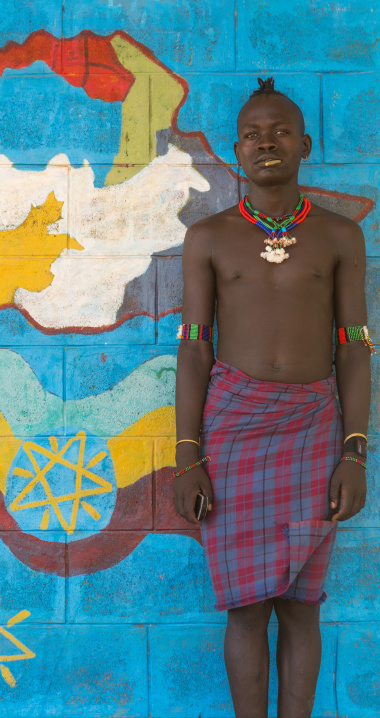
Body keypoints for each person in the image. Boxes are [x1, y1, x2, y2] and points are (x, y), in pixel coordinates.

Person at [173, 77, 373, 718]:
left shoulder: (340, 237)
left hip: (314, 430)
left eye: (281, 131)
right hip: (232, 432)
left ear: (305, 144)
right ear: (236, 149)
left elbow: (354, 348)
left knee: (301, 604)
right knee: (246, 606)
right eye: (254, 134)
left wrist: (355, 453)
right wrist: (187, 456)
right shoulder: (208, 237)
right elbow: (195, 350)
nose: (267, 142)